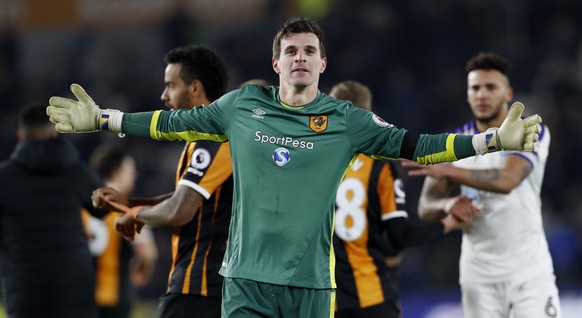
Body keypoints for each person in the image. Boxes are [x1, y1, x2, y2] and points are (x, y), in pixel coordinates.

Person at [47, 17, 542, 318]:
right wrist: (105, 119)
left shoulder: (347, 121)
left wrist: (492, 139)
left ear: (323, 64)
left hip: (311, 286)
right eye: (291, 51)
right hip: (244, 282)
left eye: (309, 51)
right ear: (277, 62)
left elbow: (419, 143)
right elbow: (171, 122)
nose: (300, 57)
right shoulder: (242, 106)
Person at [403, 52, 561, 318]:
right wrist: (447, 203)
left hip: (529, 272)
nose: (482, 95)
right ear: (467, 94)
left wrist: (449, 171)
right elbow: (425, 208)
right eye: (475, 88)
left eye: (491, 87)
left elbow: (508, 180)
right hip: (478, 276)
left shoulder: (529, 132)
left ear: (507, 92)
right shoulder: (454, 141)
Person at [91, 44, 232, 318]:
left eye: (170, 85)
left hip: (200, 288)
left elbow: (180, 210)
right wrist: (130, 204)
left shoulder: (212, 140)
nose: (163, 95)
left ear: (194, 88)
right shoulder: (207, 140)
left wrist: (135, 213)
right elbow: (193, 202)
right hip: (212, 287)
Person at [329, 80, 470, 318]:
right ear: (367, 114)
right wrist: (447, 224)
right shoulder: (379, 167)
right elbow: (398, 237)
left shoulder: (313, 164)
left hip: (327, 301)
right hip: (371, 296)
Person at [0, 103, 106, 318]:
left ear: (20, 136)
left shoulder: (4, 177)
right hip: (75, 290)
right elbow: (103, 208)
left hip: (25, 289)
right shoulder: (75, 171)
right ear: (53, 133)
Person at [83, 144, 158, 318]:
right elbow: (147, 254)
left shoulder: (80, 205)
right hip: (114, 299)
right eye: (130, 171)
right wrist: (142, 269)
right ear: (117, 173)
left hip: (79, 299)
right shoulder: (127, 209)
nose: (135, 176)